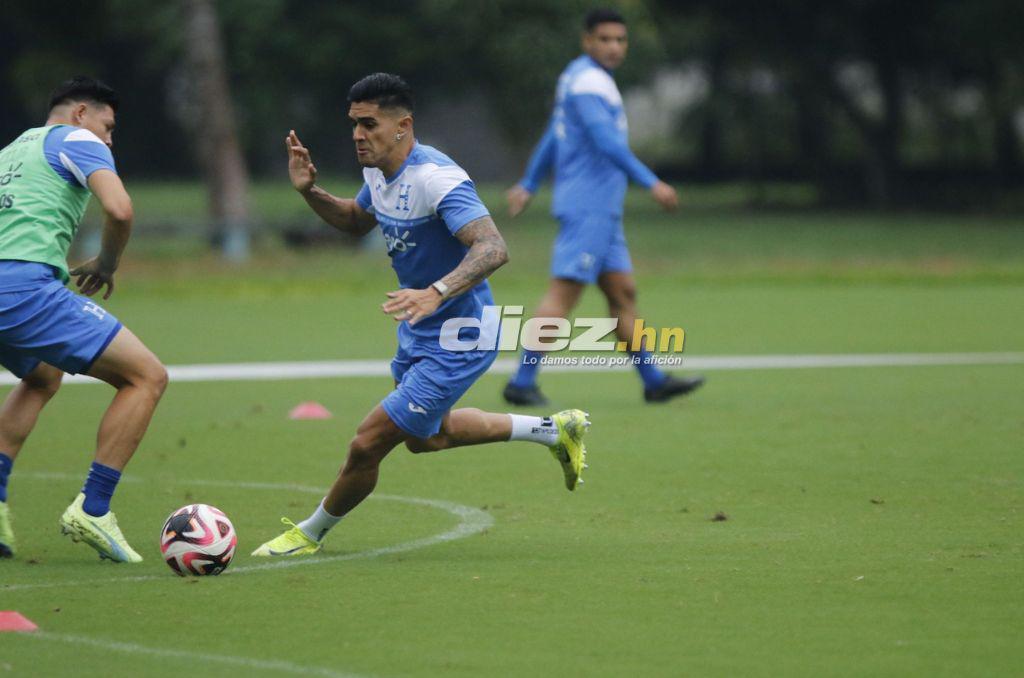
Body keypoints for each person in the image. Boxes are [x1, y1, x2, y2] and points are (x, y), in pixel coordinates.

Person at [252, 73, 589, 558]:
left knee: (368, 443)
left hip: (462, 335)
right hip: (421, 332)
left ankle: (308, 533)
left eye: (368, 124)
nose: (357, 135)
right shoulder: (378, 171)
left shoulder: (436, 178)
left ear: (402, 126)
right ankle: (555, 430)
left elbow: (493, 247)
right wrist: (310, 191)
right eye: (353, 124)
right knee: (428, 439)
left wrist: (437, 290)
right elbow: (355, 221)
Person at [0, 77, 168, 562]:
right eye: (107, 126)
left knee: (41, 375)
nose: (109, 139)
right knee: (148, 377)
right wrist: (107, 264)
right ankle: (93, 509)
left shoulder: (14, 148)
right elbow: (119, 209)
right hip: (22, 291)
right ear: (79, 114)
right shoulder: (76, 139)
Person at [502, 8, 706, 407]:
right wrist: (652, 182)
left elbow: (554, 135)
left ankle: (653, 380)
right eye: (605, 39)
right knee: (562, 295)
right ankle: (521, 382)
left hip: (601, 210)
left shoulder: (577, 76)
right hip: (588, 208)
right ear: (587, 41)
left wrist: (529, 182)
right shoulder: (590, 84)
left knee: (623, 294)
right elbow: (605, 141)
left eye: (620, 40)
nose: (614, 47)